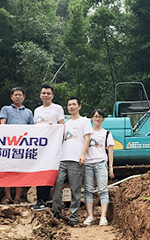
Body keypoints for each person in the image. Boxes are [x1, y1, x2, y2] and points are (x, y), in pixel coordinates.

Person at [51, 97, 91, 226]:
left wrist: (83, 154)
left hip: (76, 159)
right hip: (62, 159)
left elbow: (87, 139)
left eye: (74, 104)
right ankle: (56, 213)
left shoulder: (84, 121)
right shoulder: (66, 124)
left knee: (75, 189)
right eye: (69, 105)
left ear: (79, 106)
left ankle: (73, 217)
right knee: (57, 184)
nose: (71, 107)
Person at [31, 84, 65, 211]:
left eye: (48, 93)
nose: (45, 95)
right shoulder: (37, 110)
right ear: (40, 95)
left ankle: (47, 201)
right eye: (43, 93)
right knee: (40, 172)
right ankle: (40, 200)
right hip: (40, 147)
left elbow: (62, 126)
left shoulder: (57, 108)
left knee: (49, 172)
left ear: (52, 96)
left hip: (52, 147)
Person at [0, 87, 34, 204]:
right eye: (15, 95)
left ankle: (17, 198)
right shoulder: (6, 109)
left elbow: (32, 128)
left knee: (20, 171)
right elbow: (2, 123)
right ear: (11, 97)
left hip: (22, 146)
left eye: (20, 95)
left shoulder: (29, 112)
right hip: (8, 144)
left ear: (24, 97)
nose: (18, 97)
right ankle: (7, 197)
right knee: (7, 171)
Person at [83, 109, 115, 226]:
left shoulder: (106, 133)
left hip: (101, 163)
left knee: (103, 190)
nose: (97, 118)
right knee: (88, 191)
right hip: (88, 164)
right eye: (95, 116)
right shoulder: (87, 133)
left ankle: (103, 217)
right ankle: (90, 216)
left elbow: (110, 151)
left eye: (100, 116)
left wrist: (110, 167)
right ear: (91, 118)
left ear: (103, 119)